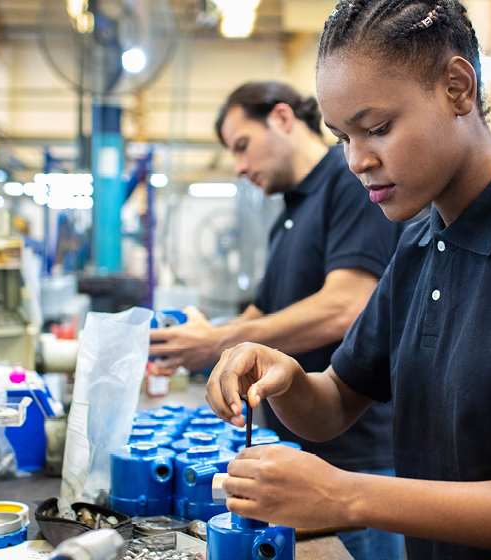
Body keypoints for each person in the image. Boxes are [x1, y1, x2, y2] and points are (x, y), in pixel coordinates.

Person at [203, 1, 491, 559]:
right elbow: (334, 403)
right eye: (342, 138)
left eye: (376, 128)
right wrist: (285, 378)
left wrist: (348, 497)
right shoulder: (421, 242)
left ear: (458, 88)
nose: (357, 160)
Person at [149, 81, 406, 558]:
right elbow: (261, 312)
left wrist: (219, 339)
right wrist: (205, 347)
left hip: (358, 464)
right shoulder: (289, 214)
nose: (240, 167)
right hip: (302, 456)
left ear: (283, 118)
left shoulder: (353, 186)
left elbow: (344, 306)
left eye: (242, 146)